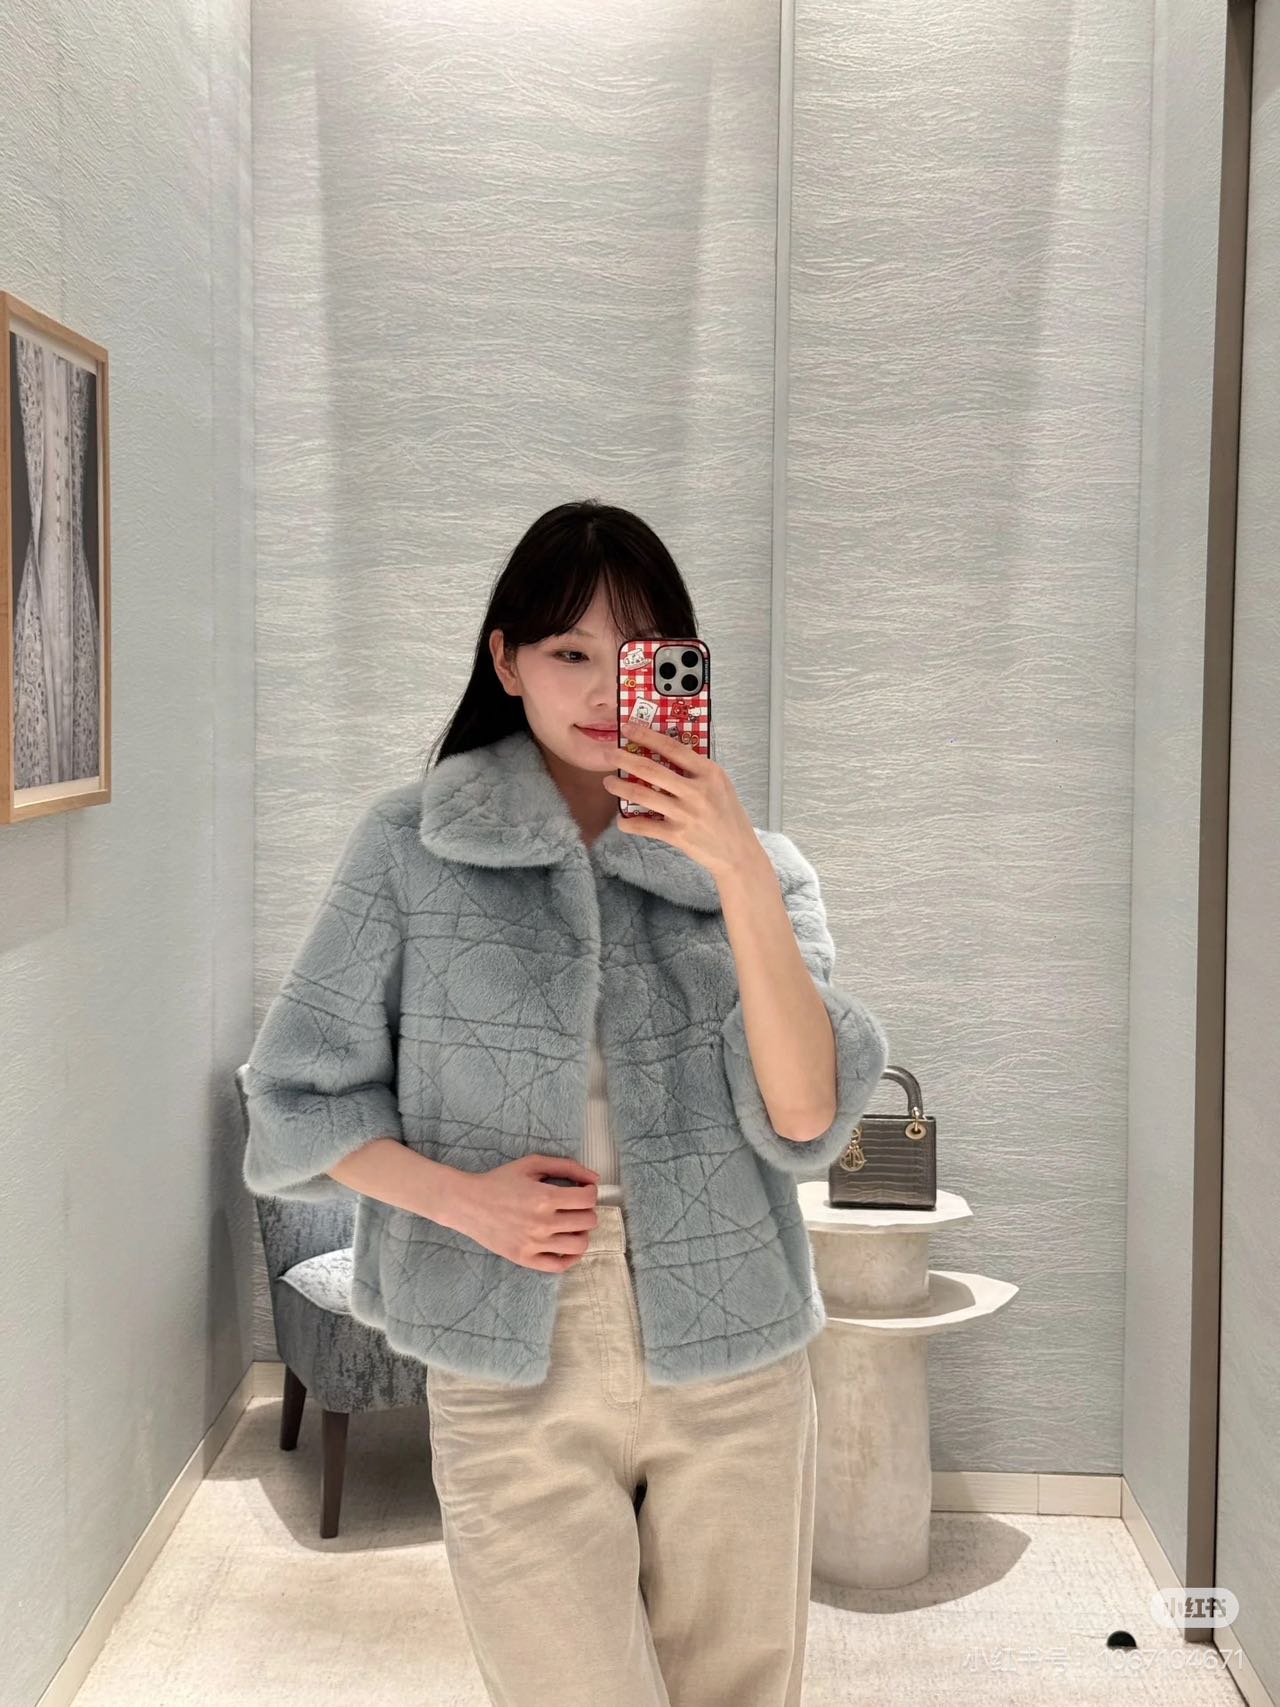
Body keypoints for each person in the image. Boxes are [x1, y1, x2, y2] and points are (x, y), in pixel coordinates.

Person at [241, 499, 890, 1707]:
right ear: (505, 661)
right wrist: (463, 1203)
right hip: (503, 1339)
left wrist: (737, 869)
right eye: (567, 651)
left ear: (681, 665)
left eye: (636, 654)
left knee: (738, 1691)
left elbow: (804, 1118)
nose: (602, 689)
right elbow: (292, 1098)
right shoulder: (410, 848)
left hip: (732, 1332)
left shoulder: (758, 867)